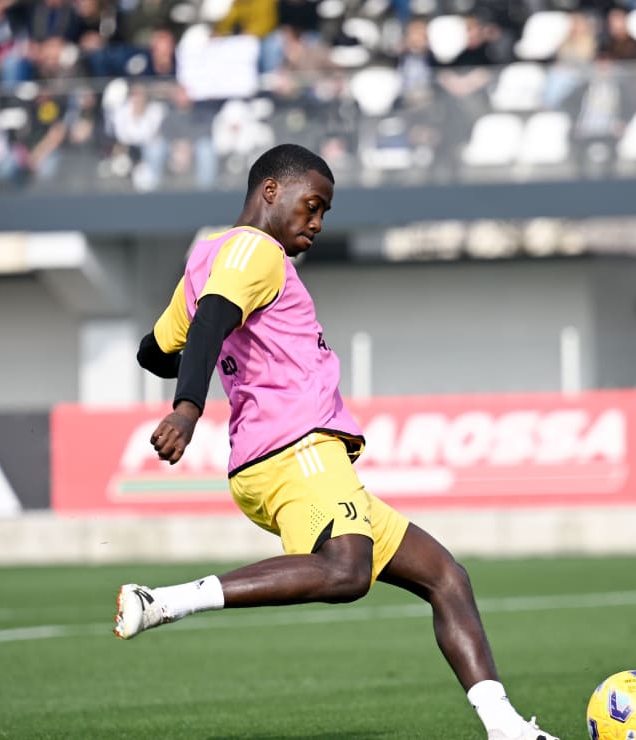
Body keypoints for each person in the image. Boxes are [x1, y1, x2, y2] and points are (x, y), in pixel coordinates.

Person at [113, 144, 559, 740]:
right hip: (297, 448)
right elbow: (213, 321)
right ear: (271, 191)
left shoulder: (206, 259)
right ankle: (169, 600)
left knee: (445, 577)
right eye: (312, 205)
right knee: (348, 571)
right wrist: (190, 407)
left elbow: (158, 349)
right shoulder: (253, 250)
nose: (318, 223)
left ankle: (507, 729)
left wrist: (201, 352)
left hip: (279, 462)